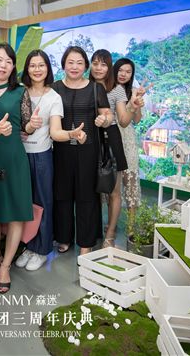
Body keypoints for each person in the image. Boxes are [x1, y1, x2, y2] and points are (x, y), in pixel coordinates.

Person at [0, 43, 33, 293]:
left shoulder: (20, 91)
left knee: (15, 212)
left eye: (8, 61)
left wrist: (32, 126)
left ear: (13, 68)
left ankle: (6, 265)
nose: (3, 65)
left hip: (14, 159)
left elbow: (27, 126)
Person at [52, 46, 112, 255]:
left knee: (87, 195)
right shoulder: (55, 88)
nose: (74, 66)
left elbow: (108, 116)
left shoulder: (96, 89)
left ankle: (86, 241)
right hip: (61, 149)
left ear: (86, 66)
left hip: (89, 150)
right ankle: (64, 237)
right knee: (62, 195)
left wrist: (104, 119)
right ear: (64, 65)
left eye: (79, 63)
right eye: (70, 62)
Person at [15, 50, 65, 271]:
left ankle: (42, 249)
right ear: (27, 69)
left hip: (42, 155)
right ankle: (29, 245)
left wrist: (71, 134)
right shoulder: (19, 92)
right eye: (32, 65)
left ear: (48, 68)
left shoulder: (54, 97)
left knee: (43, 202)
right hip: (18, 154)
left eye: (41, 65)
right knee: (24, 203)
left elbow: (55, 130)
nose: (37, 69)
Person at [89, 49, 134, 248]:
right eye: (95, 63)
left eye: (104, 64)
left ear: (109, 68)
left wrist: (133, 105)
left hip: (111, 138)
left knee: (114, 191)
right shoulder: (84, 85)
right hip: (88, 139)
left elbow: (123, 121)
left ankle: (110, 234)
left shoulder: (116, 89)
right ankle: (92, 230)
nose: (99, 68)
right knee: (91, 190)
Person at [113, 58, 146, 232]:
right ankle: (111, 222)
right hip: (111, 139)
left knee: (131, 182)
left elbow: (137, 120)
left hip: (128, 140)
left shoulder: (134, 91)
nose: (123, 74)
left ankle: (131, 226)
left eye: (128, 72)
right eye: (120, 70)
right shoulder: (109, 89)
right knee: (112, 184)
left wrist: (137, 101)